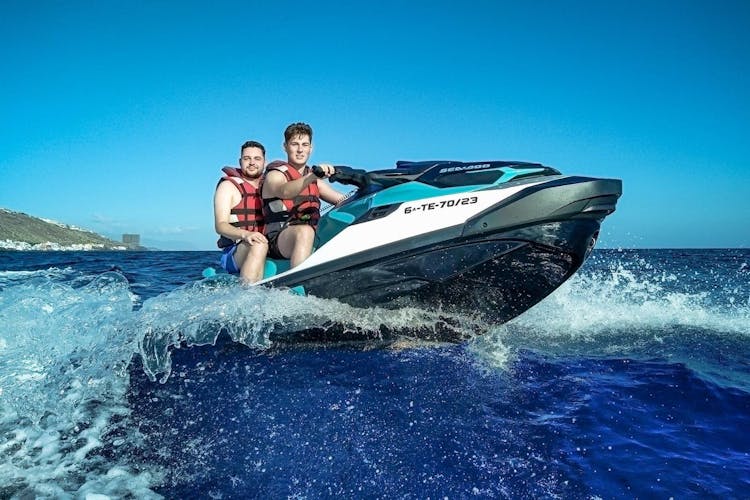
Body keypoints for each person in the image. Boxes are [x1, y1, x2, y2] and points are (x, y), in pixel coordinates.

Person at [262, 122, 346, 268]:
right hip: (278, 238)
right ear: (285, 147)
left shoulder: (313, 180)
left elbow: (342, 200)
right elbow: (284, 191)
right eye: (295, 144)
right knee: (305, 232)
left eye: (305, 145)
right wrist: (313, 176)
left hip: (312, 233)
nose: (300, 150)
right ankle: (296, 286)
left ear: (311, 148)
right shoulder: (275, 175)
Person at [213, 140, 269, 283]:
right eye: (247, 158)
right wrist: (246, 234)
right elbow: (220, 225)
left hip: (269, 244)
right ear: (240, 161)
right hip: (236, 250)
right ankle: (246, 296)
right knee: (258, 243)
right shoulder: (228, 187)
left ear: (264, 162)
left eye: (257, 158)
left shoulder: (270, 185)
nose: (251, 162)